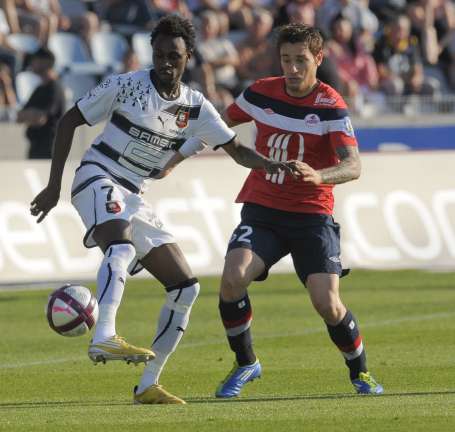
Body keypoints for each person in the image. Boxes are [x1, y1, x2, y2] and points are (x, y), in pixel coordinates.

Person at [29, 15, 288, 405]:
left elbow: (236, 150)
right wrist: (53, 186)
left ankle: (147, 384)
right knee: (122, 247)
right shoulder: (126, 86)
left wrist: (268, 164)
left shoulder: (195, 107)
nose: (166, 62)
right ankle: (104, 336)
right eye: (160, 54)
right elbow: (68, 122)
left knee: (187, 287)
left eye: (175, 56)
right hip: (97, 176)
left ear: (188, 58)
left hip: (134, 194)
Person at [213, 23, 384, 398]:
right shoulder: (259, 93)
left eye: (300, 61)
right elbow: (217, 123)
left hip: (311, 215)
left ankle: (362, 373)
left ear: (318, 59)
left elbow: (353, 165)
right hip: (263, 209)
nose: (292, 69)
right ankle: (246, 363)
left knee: (327, 303)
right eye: (286, 60)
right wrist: (232, 151)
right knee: (231, 279)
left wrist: (319, 175)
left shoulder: (330, 105)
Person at [17, 47, 65, 159]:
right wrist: (32, 114)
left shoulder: (54, 88)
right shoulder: (39, 89)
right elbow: (19, 117)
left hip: (48, 150)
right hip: (36, 148)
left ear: (46, 62)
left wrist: (29, 115)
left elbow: (40, 119)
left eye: (35, 60)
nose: (32, 63)